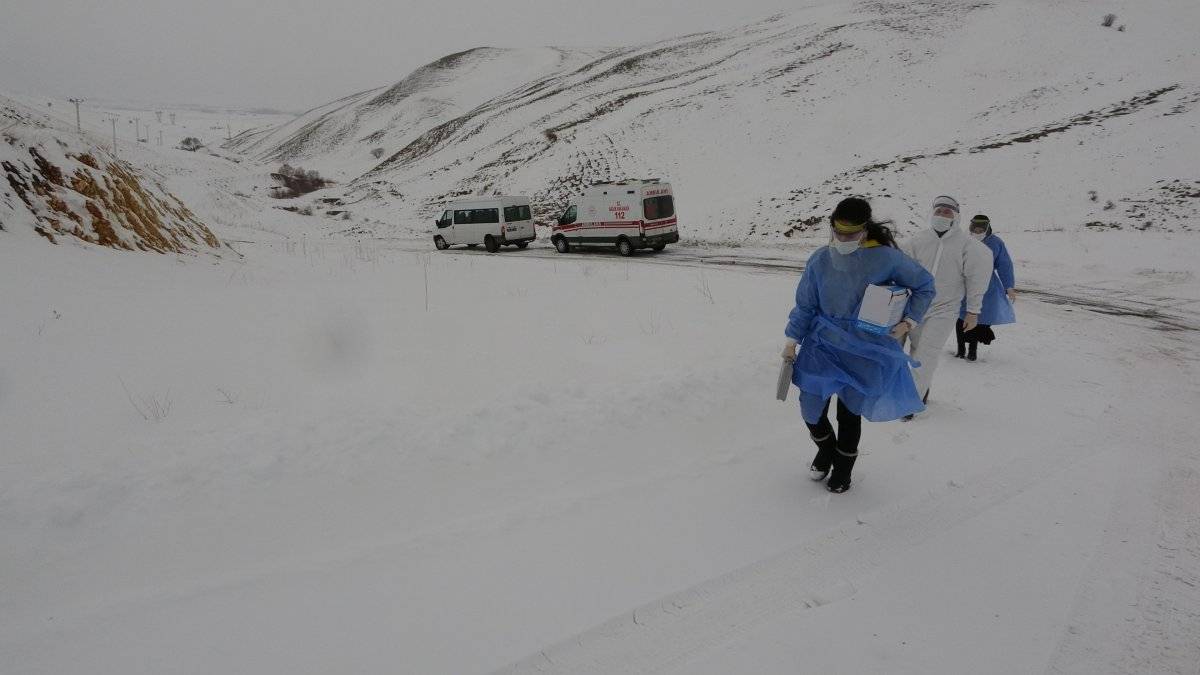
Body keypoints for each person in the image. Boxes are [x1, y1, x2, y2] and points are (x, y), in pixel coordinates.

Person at [783, 197, 935, 493]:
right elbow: (804, 305)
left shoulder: (886, 258)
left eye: (850, 233)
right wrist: (791, 340)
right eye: (838, 232)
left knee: (849, 412)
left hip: (865, 347)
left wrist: (909, 322)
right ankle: (826, 450)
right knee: (810, 407)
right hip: (822, 344)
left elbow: (925, 285)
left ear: (864, 230)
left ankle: (843, 467)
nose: (843, 239)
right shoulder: (820, 259)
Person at [900, 196, 993, 415]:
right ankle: (921, 390)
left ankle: (909, 404)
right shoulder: (916, 241)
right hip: (914, 308)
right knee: (916, 350)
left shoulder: (967, 246)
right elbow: (900, 270)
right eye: (939, 211)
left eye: (948, 212)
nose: (942, 215)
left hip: (944, 309)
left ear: (957, 217)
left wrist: (973, 311)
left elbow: (976, 279)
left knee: (928, 353)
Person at [956, 214, 1016, 361]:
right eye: (975, 226)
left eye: (981, 227)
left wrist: (1009, 286)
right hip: (963, 284)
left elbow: (1004, 264)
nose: (978, 230)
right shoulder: (962, 240)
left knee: (979, 318)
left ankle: (972, 351)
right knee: (960, 317)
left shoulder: (996, 243)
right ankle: (961, 349)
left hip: (988, 287)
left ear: (987, 227)